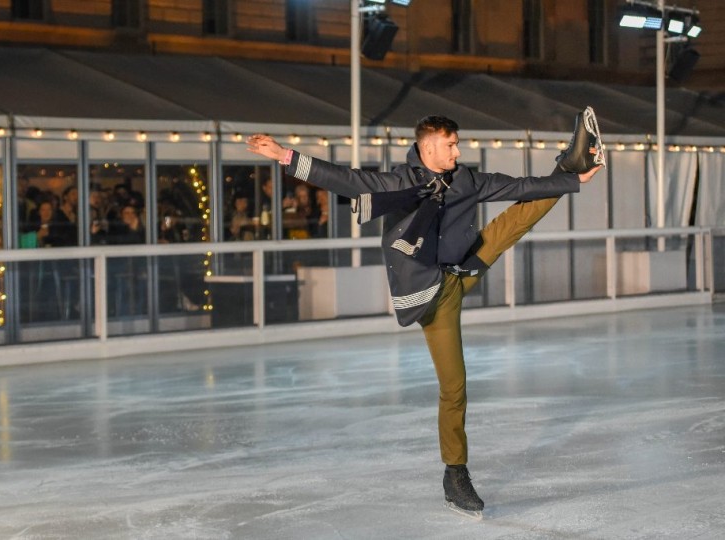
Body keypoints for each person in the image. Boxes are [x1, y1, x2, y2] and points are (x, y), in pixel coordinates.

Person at [247, 108, 604, 519]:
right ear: (428, 146)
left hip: (463, 266)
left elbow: (518, 186)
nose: (457, 151)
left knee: (517, 216)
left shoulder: (465, 180)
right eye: (450, 145)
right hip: (431, 295)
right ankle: (455, 475)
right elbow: (341, 178)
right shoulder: (397, 182)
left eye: (457, 144)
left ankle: (572, 161)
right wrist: (284, 155)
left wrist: (572, 179)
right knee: (455, 384)